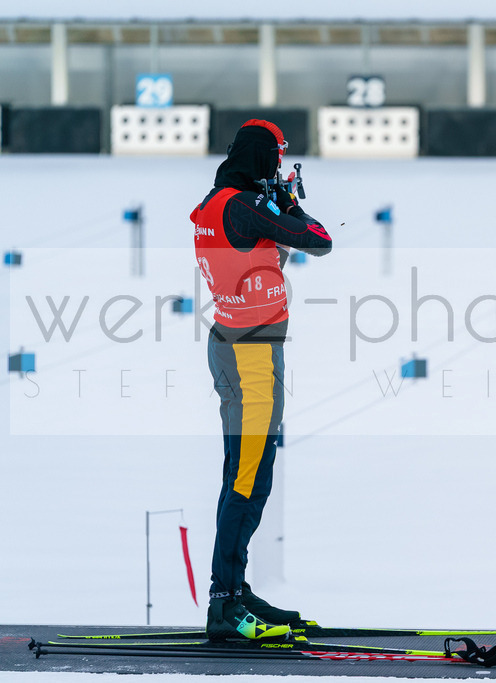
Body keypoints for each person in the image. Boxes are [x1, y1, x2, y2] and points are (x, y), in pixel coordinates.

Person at [190, 119, 333, 641]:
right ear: (263, 157)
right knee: (249, 481)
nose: (278, 165)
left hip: (231, 345)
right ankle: (225, 605)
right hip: (251, 356)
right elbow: (318, 240)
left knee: (241, 475)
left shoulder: (216, 202)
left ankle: (233, 589)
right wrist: (289, 204)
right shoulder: (244, 206)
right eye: (276, 156)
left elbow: (266, 252)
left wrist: (276, 203)